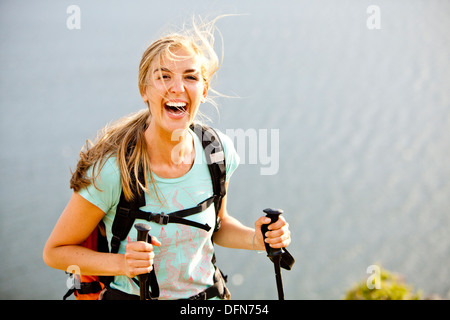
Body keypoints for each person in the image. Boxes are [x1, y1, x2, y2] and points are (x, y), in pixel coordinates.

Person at [43, 16, 291, 300]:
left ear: (204, 89)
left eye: (190, 76)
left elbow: (218, 226)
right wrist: (122, 264)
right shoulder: (113, 170)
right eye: (163, 76)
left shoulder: (217, 152)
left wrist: (256, 239)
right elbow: (55, 252)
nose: (177, 87)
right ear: (144, 90)